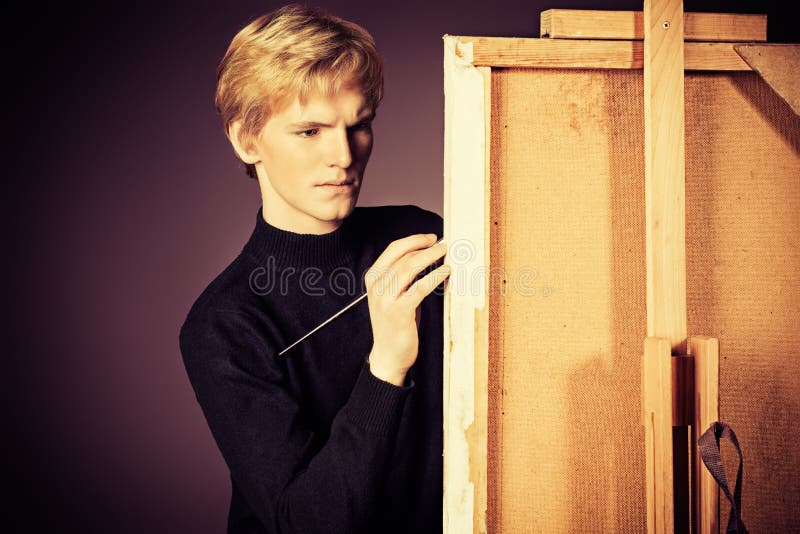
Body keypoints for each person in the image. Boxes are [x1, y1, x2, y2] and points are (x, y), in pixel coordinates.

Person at [178, 4, 450, 533]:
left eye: (359, 125)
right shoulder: (223, 325)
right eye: (310, 132)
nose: (344, 156)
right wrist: (388, 364)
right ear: (246, 140)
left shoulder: (417, 237)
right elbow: (304, 522)